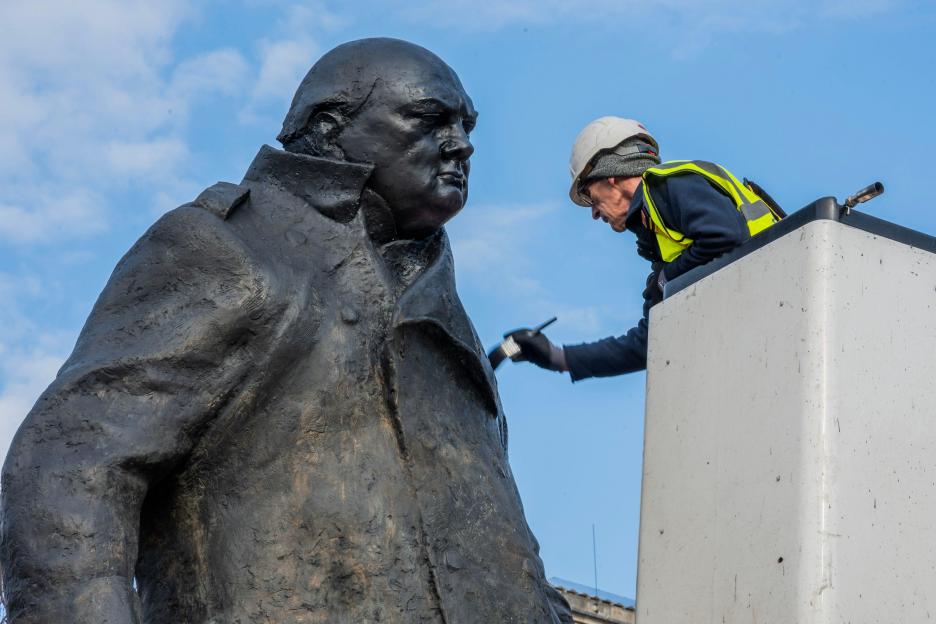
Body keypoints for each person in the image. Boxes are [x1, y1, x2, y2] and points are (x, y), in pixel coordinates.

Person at [1, 38, 572, 624]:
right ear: (329, 127)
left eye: (465, 124)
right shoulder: (229, 246)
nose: (461, 143)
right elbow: (71, 467)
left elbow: (510, 548)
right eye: (430, 119)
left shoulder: (445, 312)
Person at [509, 117, 780, 380]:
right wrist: (556, 357)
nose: (593, 212)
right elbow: (650, 342)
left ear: (608, 174)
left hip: (778, 304)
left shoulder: (668, 187)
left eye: (590, 196)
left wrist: (668, 277)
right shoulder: (661, 234)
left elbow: (725, 235)